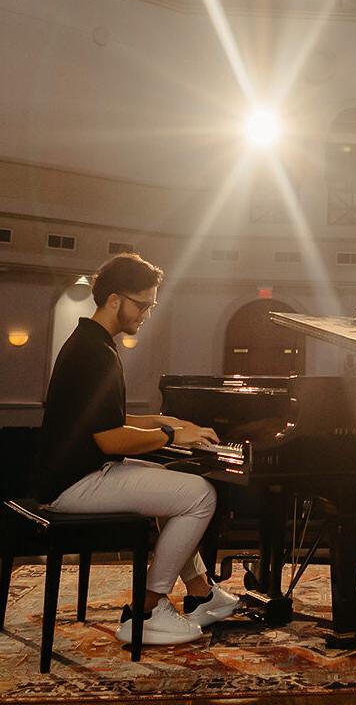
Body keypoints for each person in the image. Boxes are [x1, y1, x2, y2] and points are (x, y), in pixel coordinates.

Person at [33, 253, 240, 645]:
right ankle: (147, 609)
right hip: (73, 484)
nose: (146, 313)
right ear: (115, 300)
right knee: (200, 496)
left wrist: (176, 424)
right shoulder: (95, 354)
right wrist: (170, 434)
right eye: (142, 304)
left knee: (173, 484)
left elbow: (108, 418)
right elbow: (110, 439)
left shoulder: (90, 343)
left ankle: (201, 594)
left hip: (78, 472)